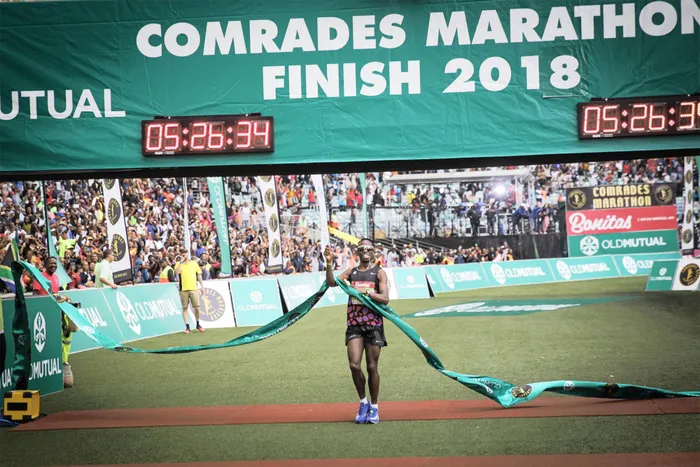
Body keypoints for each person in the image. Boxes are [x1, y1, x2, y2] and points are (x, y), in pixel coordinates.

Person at [324, 239, 389, 425]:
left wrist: (366, 293)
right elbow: (331, 282)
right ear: (357, 252)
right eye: (362, 249)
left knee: (372, 367)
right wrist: (328, 263)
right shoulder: (351, 272)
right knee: (354, 365)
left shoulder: (379, 272)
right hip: (354, 323)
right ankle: (363, 403)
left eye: (369, 249)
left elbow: (385, 298)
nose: (365, 251)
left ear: (373, 252)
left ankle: (374, 407)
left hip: (373, 323)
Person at [175, 254, 205, 334]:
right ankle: (187, 327)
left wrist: (202, 286)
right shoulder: (179, 264)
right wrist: (181, 262)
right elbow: (177, 272)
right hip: (183, 289)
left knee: (197, 307)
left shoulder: (194, 263)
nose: (184, 255)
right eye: (183, 254)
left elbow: (199, 274)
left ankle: (198, 324)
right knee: (185, 308)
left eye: (185, 253)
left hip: (194, 288)